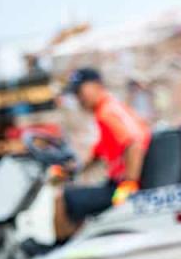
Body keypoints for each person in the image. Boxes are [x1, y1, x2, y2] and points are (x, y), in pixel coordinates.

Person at [54, 67, 151, 241]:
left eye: (80, 91)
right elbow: (97, 153)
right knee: (79, 194)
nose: (78, 98)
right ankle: (77, 241)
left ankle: (61, 246)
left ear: (97, 85)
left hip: (120, 187)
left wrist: (129, 184)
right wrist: (73, 169)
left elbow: (134, 144)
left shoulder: (107, 113)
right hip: (117, 184)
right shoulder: (111, 107)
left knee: (62, 197)